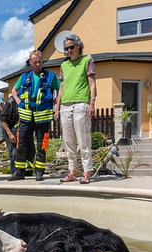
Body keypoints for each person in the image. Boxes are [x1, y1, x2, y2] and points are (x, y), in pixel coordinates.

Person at [7, 50, 60, 181]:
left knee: (42, 143)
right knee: (22, 142)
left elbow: (61, 89)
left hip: (43, 117)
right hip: (26, 117)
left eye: (39, 61)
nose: (37, 64)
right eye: (34, 61)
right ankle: (19, 171)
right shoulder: (24, 76)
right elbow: (14, 90)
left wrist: (57, 102)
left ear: (42, 62)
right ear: (30, 62)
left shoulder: (50, 76)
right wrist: (18, 101)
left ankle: (39, 171)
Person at [55, 33, 97, 184]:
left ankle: (86, 173)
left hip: (81, 104)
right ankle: (72, 172)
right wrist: (57, 107)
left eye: (72, 47)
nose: (69, 50)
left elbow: (92, 83)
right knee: (69, 141)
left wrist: (92, 102)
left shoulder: (87, 60)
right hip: (65, 105)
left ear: (79, 46)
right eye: (66, 48)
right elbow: (61, 88)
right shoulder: (63, 65)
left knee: (83, 140)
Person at [0, 95, 19, 175]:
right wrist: (10, 134)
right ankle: (14, 172)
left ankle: (23, 171)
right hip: (9, 129)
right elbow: (2, 119)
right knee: (13, 151)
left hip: (19, 129)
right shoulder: (11, 101)